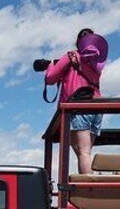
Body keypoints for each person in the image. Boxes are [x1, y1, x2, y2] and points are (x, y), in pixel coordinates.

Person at [45, 28, 108, 174]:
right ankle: (89, 181)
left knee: (83, 152)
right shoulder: (98, 61)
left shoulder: (72, 55)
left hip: (79, 105)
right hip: (97, 106)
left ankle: (89, 190)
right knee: (84, 150)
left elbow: (50, 78)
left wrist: (50, 65)